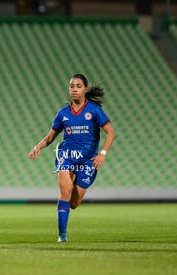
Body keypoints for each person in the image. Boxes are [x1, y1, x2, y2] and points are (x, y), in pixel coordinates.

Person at [28, 74, 115, 242]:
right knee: (65, 192)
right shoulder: (63, 114)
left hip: (87, 161)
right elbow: (50, 137)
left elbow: (111, 133)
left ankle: (71, 199)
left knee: (74, 203)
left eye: (78, 86)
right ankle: (62, 235)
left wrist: (102, 154)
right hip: (66, 156)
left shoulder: (94, 110)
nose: (74, 89)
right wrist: (37, 146)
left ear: (85, 89)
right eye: (71, 86)